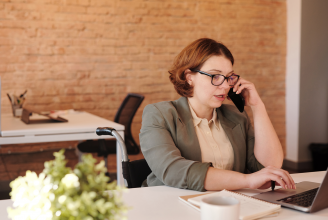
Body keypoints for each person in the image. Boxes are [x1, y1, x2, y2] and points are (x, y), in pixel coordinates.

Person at [139, 38, 295, 192]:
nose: (226, 85)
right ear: (189, 77)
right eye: (215, 76)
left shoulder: (236, 116)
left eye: (229, 77)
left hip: (225, 206)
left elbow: (270, 167)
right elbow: (172, 170)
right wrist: (247, 180)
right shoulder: (159, 114)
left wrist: (257, 106)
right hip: (169, 204)